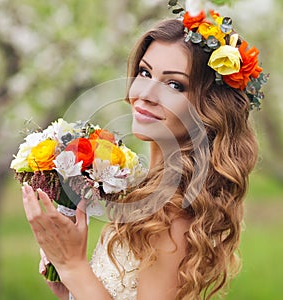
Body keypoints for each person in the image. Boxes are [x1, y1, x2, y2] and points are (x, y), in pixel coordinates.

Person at [22, 4, 267, 300]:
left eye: (175, 84)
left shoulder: (173, 213)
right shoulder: (150, 193)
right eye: (145, 72)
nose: (146, 94)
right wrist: (70, 287)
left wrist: (73, 265)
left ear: (208, 108)